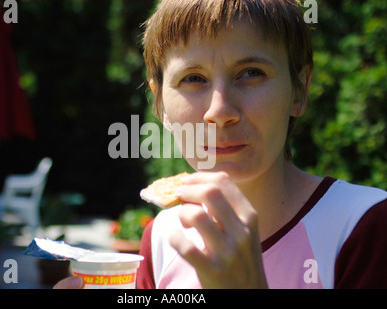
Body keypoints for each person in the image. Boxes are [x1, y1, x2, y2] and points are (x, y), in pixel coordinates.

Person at [55, 0, 387, 289]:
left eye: (251, 73)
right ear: (160, 106)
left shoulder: (363, 228)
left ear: (299, 90)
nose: (220, 112)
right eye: (193, 79)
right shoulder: (161, 241)